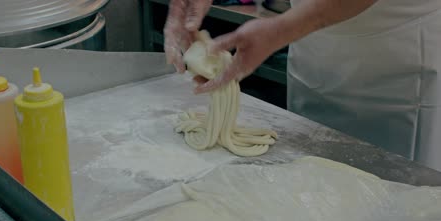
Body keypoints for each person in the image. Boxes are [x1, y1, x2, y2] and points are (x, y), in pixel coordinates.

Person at [164, 0, 441, 171]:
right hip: (311, 40)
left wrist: (283, 29)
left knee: (390, 197)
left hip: (396, 55)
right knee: (307, 172)